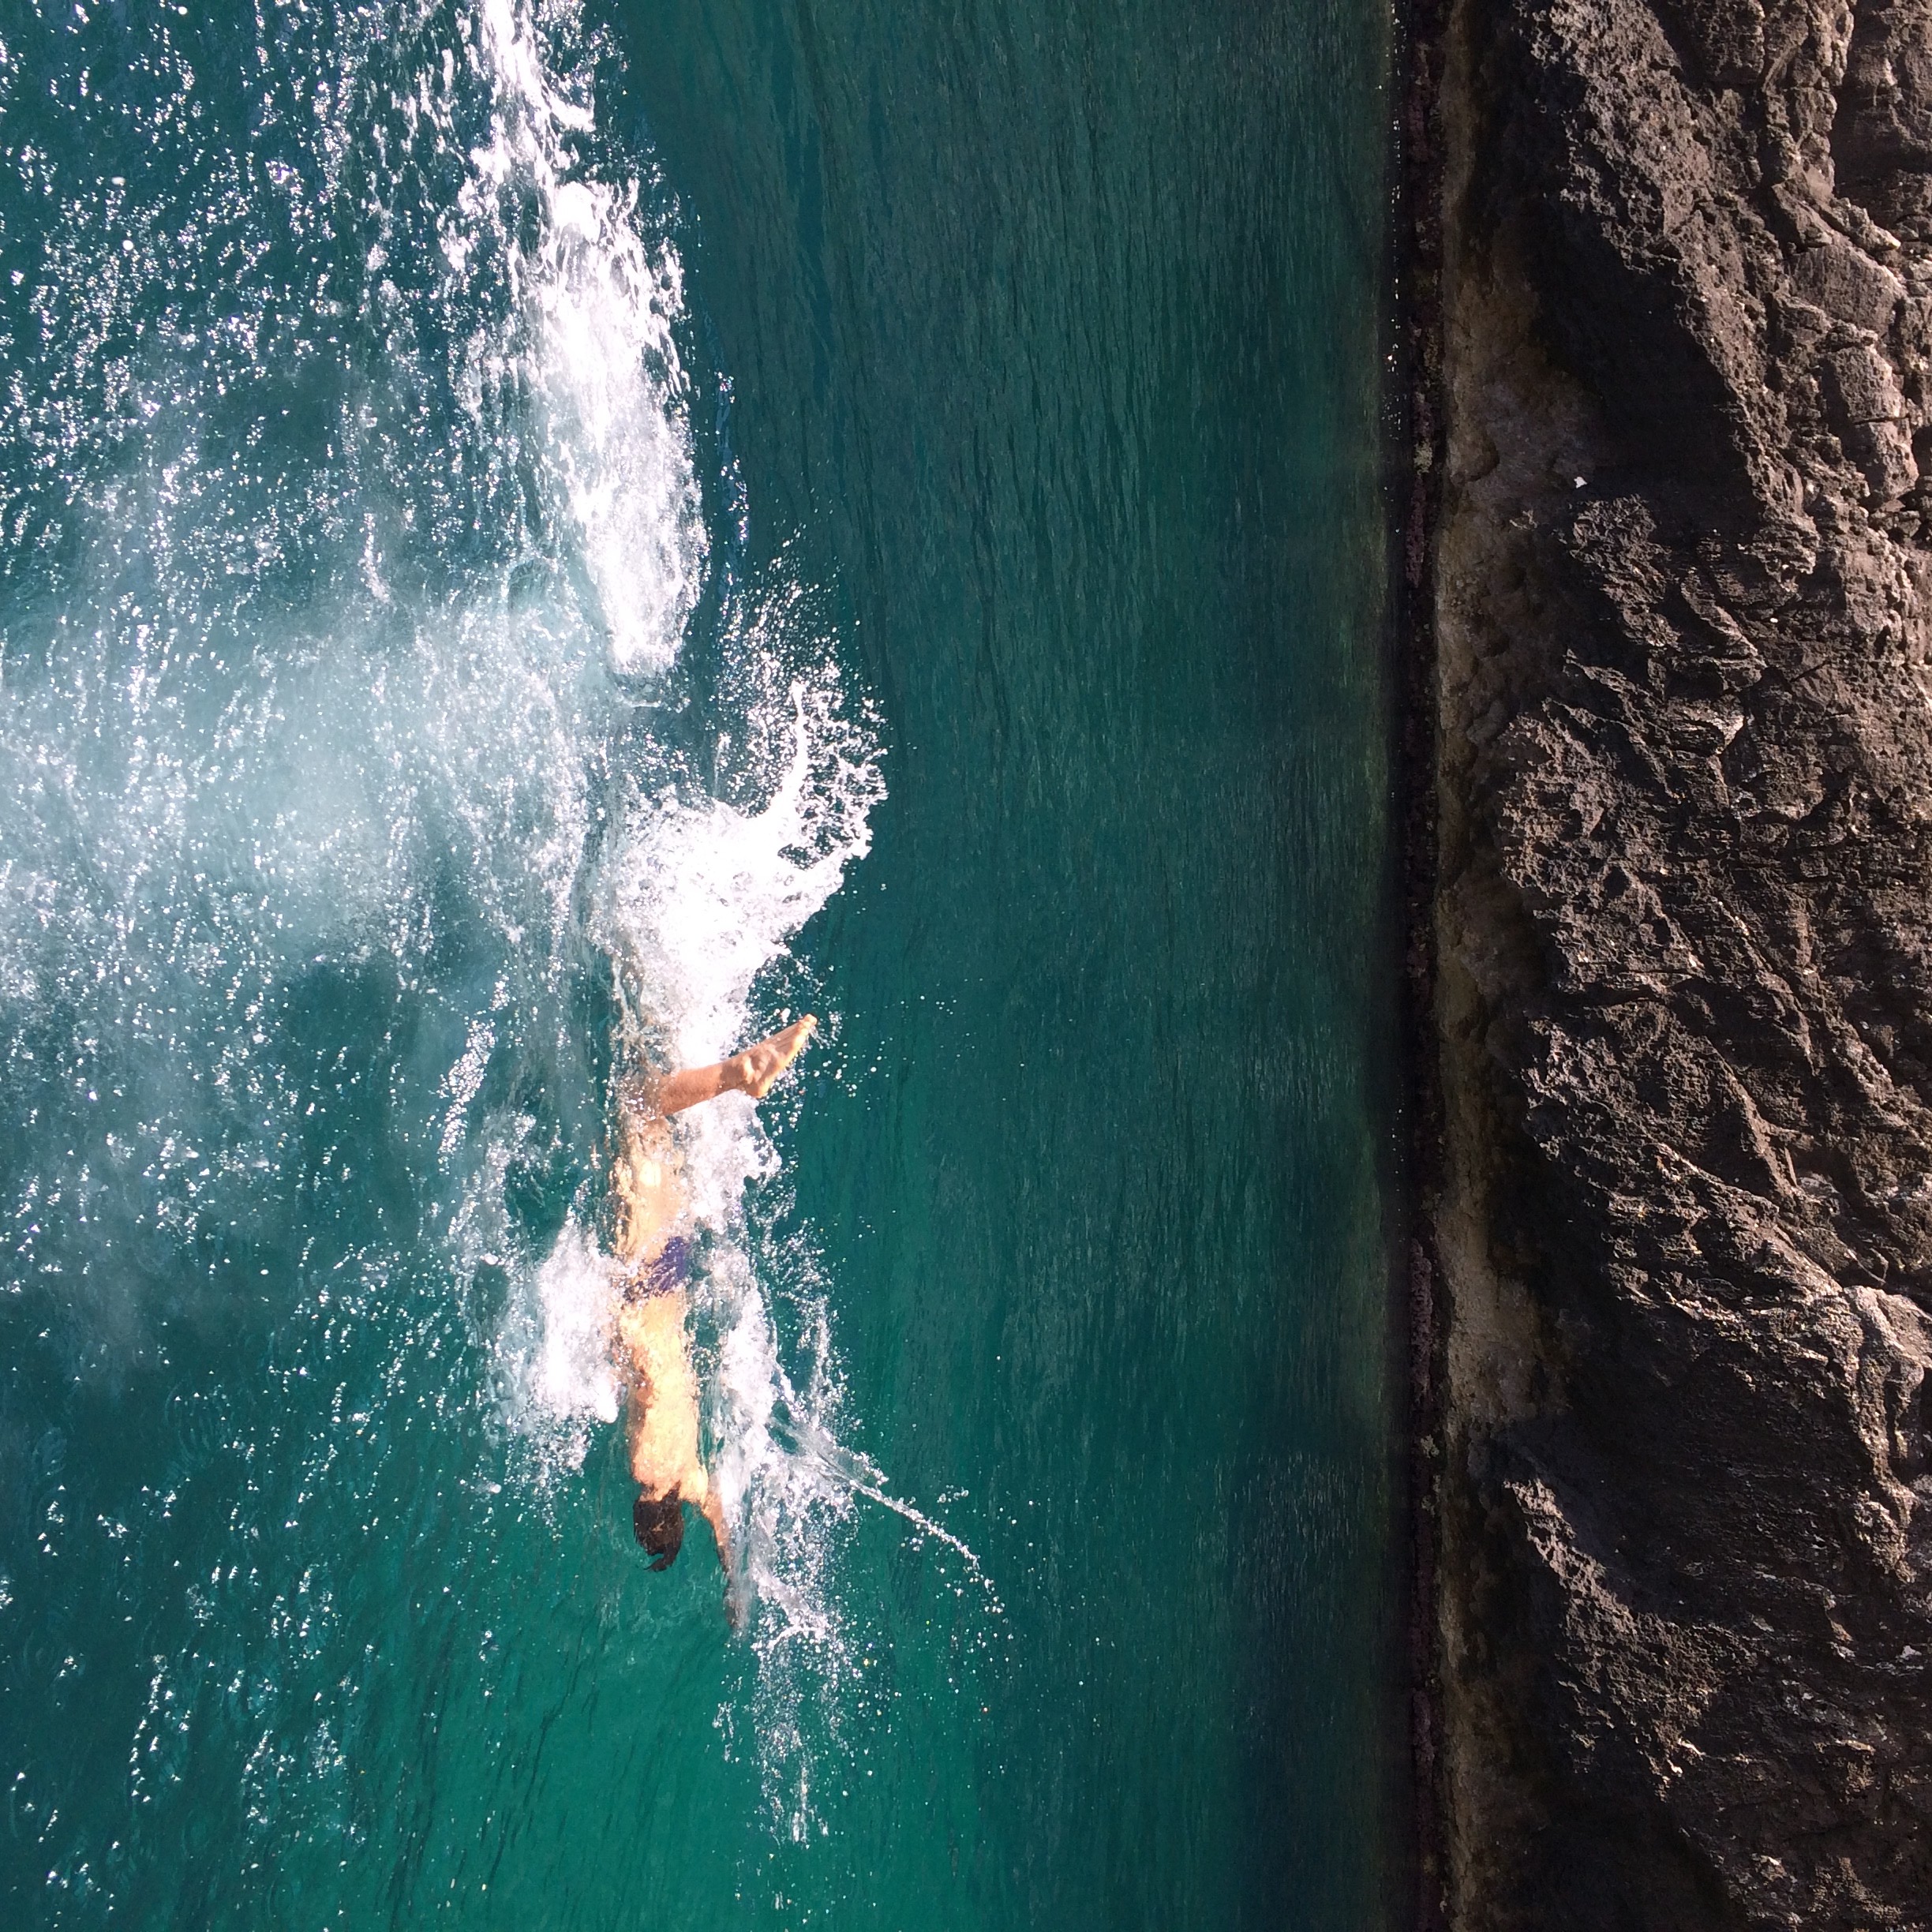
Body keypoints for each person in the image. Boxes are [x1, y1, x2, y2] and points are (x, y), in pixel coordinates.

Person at [609, 1014, 817, 1604]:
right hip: (646, 1290)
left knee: (652, 1132)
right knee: (639, 1109)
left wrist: (734, 1581)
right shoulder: (651, 1471)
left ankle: (671, 1029)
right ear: (647, 1511)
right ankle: (739, 1074)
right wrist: (615, 1325)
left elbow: (723, 1521)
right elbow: (649, 1382)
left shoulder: (694, 1484)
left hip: (672, 1279)